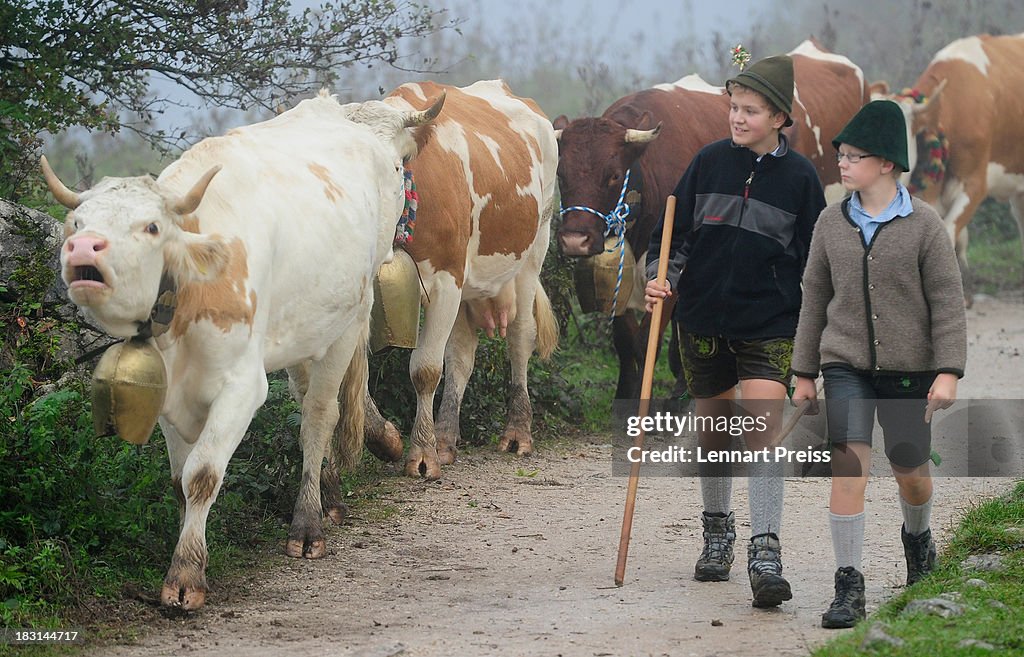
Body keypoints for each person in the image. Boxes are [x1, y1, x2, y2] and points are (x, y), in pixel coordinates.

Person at [644, 54, 826, 608]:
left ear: (779, 118)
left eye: (749, 110)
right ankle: (717, 532)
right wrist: (661, 279)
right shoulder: (707, 163)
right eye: (733, 107)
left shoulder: (801, 179)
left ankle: (765, 548)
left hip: (769, 320)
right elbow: (671, 236)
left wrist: (816, 335)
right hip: (701, 319)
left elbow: (816, 261)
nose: (736, 118)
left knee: (762, 427)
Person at [789, 99, 967, 628]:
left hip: (911, 371)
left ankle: (919, 542)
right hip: (844, 367)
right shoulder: (829, 222)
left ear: (886, 163)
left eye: (853, 156)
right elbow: (813, 297)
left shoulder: (926, 226)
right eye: (840, 154)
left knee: (910, 474)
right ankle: (849, 585)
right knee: (848, 471)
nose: (841, 164)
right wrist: (803, 373)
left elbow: (948, 303)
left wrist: (948, 371)